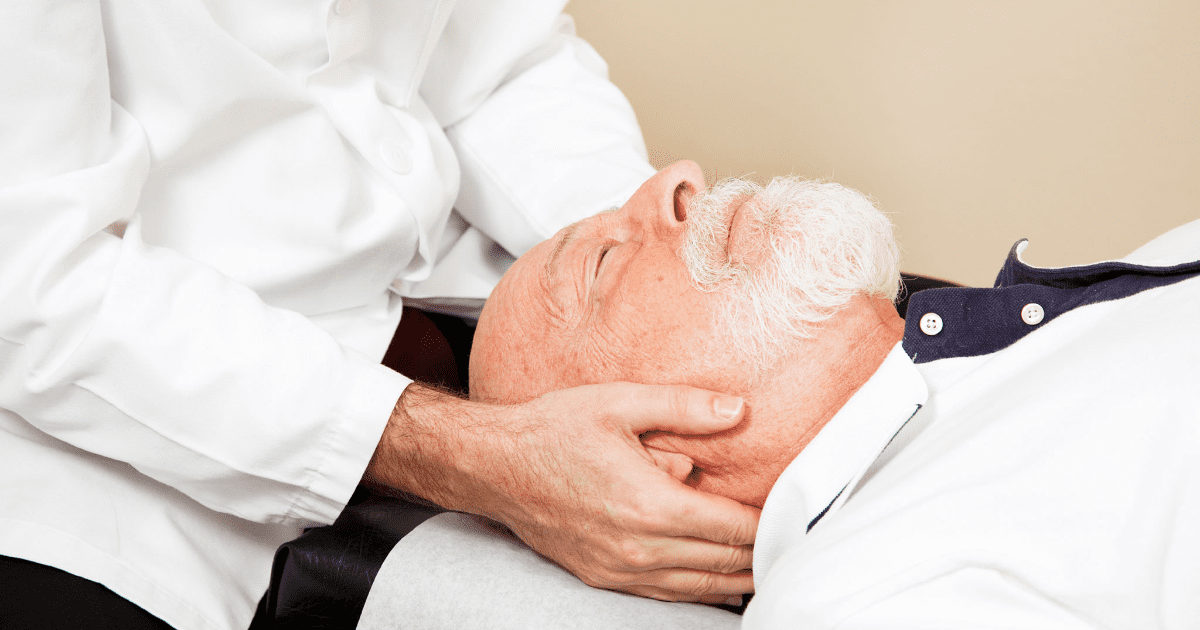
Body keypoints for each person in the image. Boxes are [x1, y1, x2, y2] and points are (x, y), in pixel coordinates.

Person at [0, 4, 759, 629]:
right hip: (98, 441)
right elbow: (31, 278)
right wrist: (473, 456)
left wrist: (643, 266)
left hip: (434, 306)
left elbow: (499, 60)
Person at [466, 159, 1200, 627]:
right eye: (601, 261)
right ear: (636, 468)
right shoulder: (856, 596)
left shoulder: (1046, 334)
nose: (675, 179)